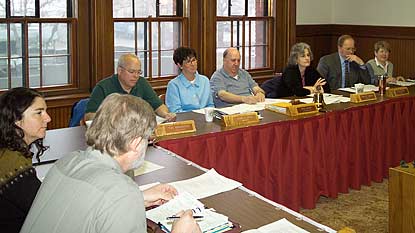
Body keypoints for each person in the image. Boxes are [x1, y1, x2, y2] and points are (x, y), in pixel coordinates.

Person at [21, 93, 201, 233]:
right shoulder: (121, 193)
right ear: (136, 143)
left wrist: (138, 198)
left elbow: (86, 203)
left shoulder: (67, 161)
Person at [0, 87, 51, 233]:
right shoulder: (12, 163)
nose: (48, 118)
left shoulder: (8, 151)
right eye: (39, 113)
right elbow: (45, 210)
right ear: (16, 119)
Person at [84, 53, 176, 122]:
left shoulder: (141, 83)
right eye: (132, 72)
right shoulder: (103, 87)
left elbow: (158, 105)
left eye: (138, 72)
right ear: (120, 71)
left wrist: (165, 114)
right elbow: (89, 116)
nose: (136, 76)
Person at [261, 42, 328, 98]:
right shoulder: (290, 71)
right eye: (303, 56)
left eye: (308, 55)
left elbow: (327, 86)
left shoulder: (310, 70)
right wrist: (313, 88)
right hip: (278, 97)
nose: (307, 58)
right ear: (295, 59)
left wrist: (314, 88)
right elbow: (298, 91)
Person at [166, 47, 214, 113]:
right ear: (180, 65)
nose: (193, 64)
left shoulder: (205, 80)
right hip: (186, 121)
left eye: (194, 60)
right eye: (188, 62)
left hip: (205, 119)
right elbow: (175, 111)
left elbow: (210, 105)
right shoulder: (174, 85)